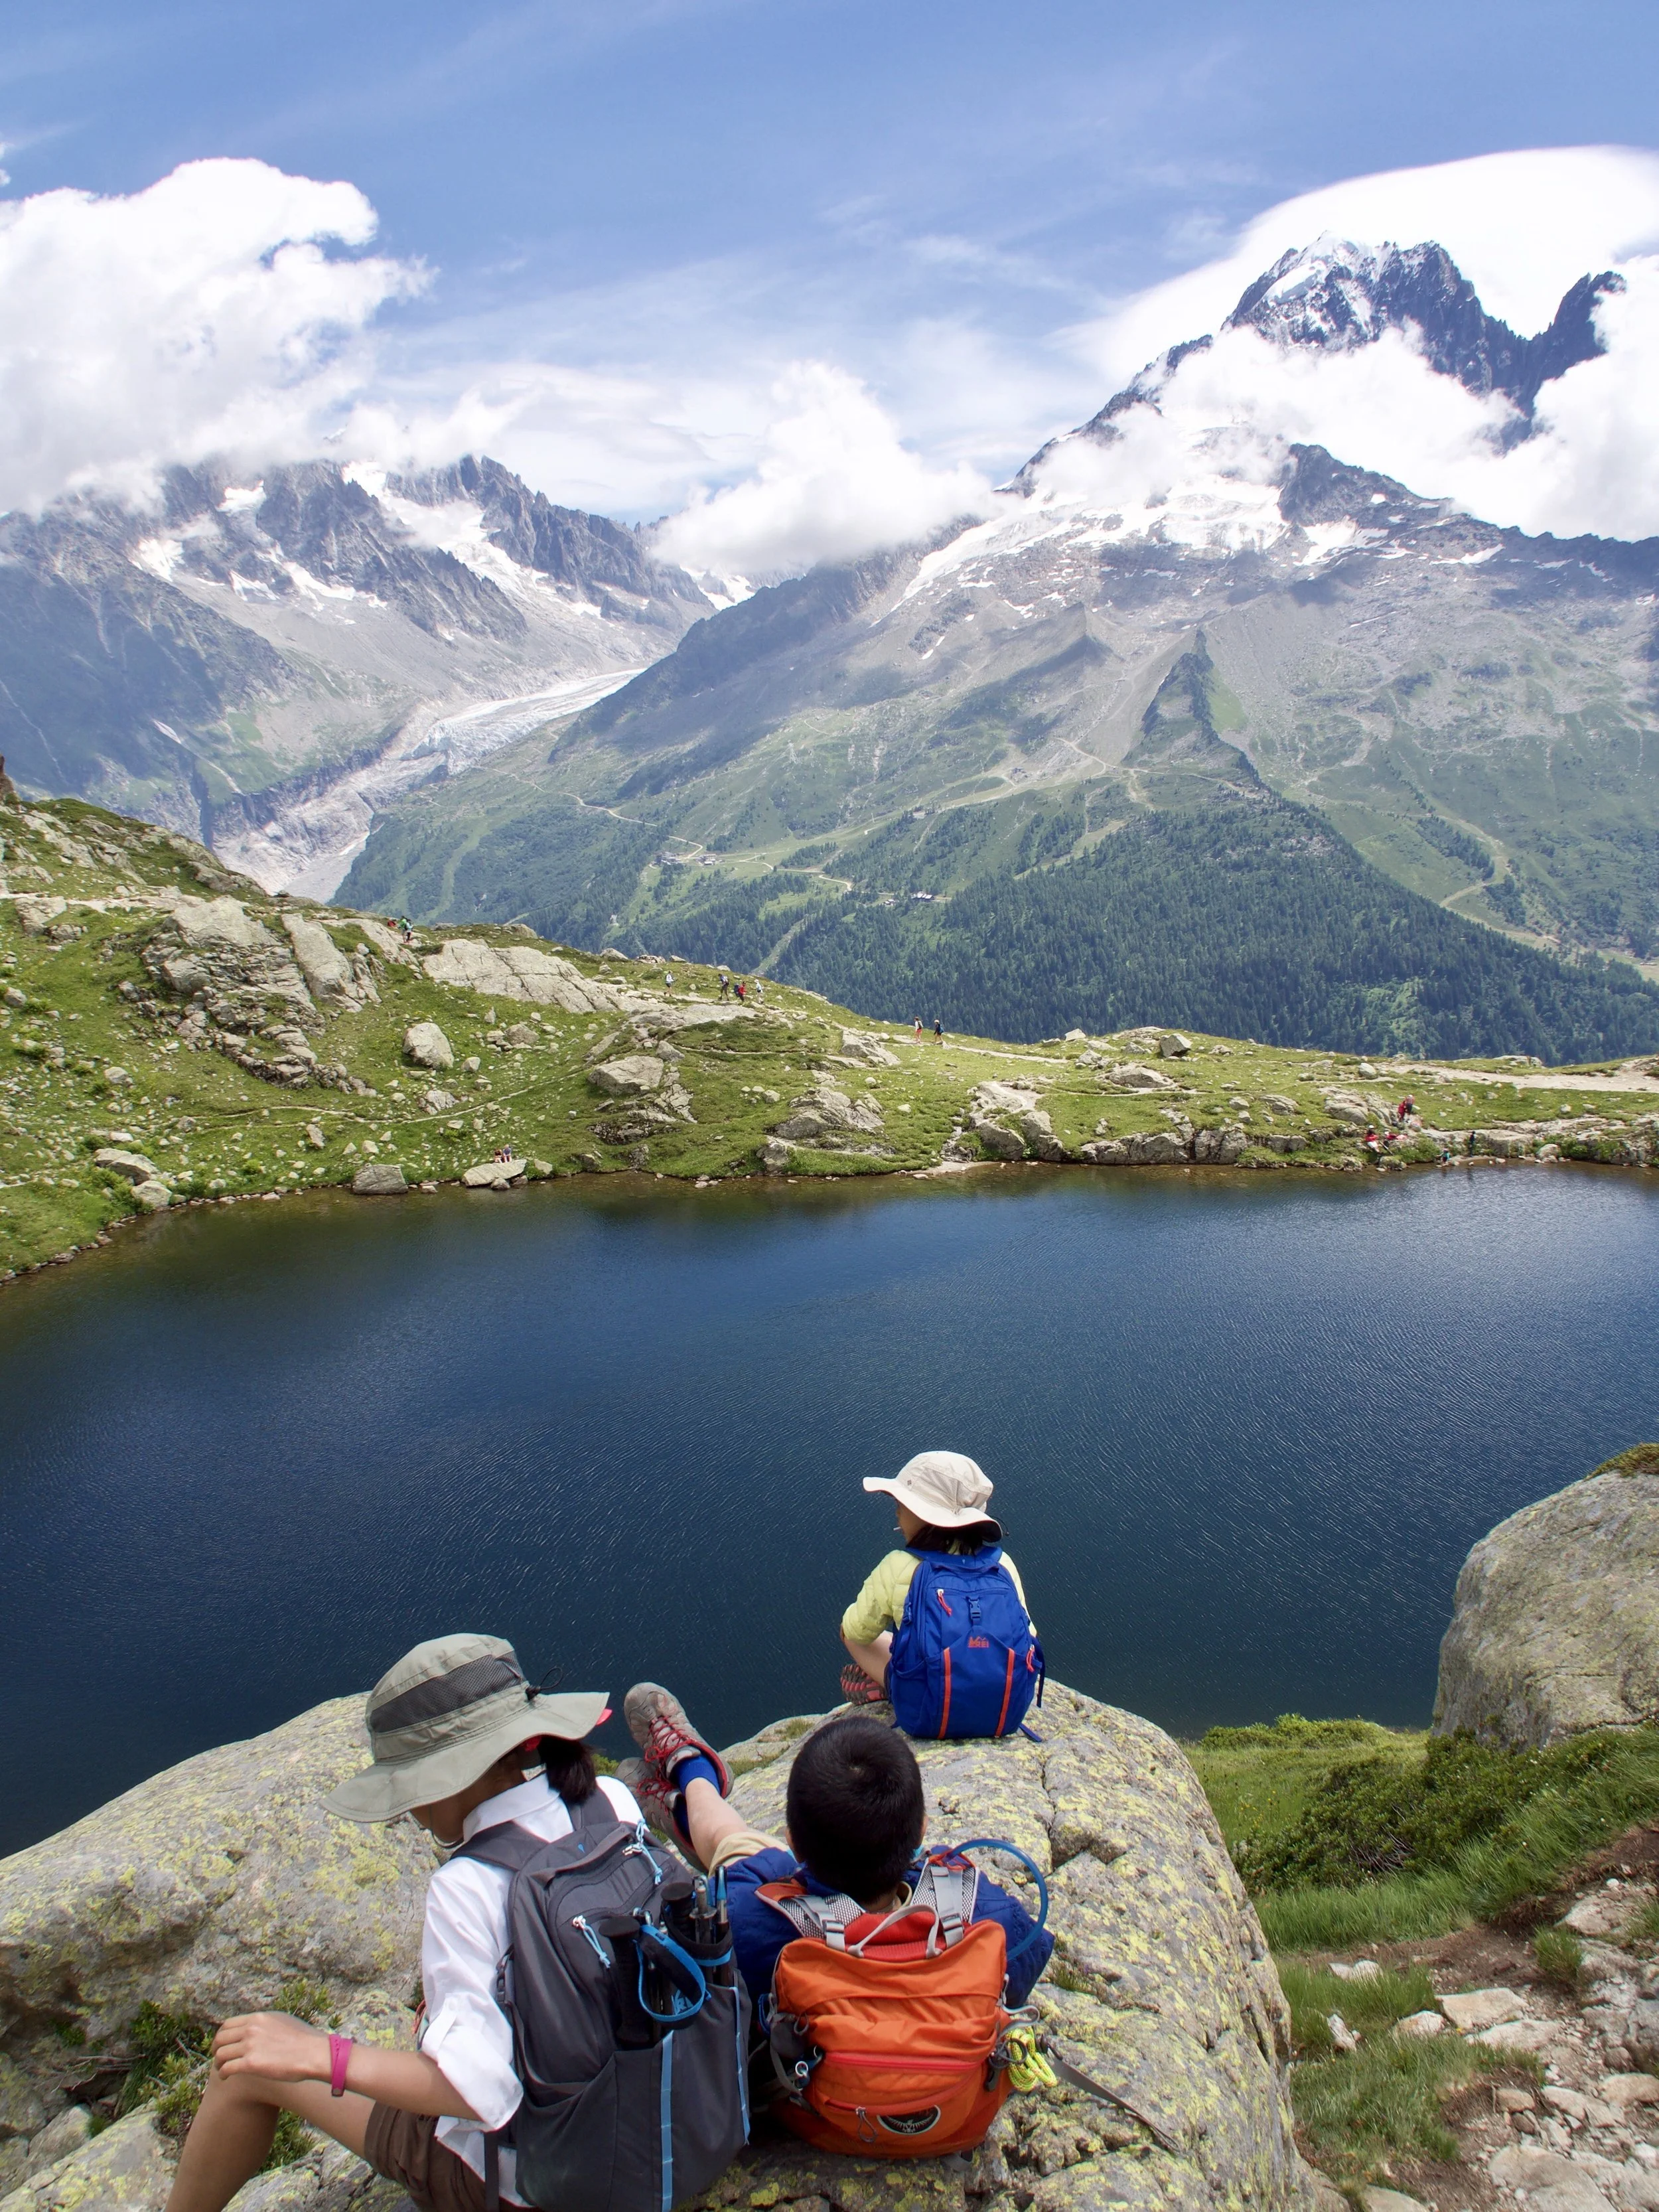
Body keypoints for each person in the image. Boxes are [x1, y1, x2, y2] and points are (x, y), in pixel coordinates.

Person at [162, 1637, 634, 2212]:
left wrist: (321, 2055)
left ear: (446, 1775)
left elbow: (479, 2091)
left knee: (247, 2063)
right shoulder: (611, 1801)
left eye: (407, 1786)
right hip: (647, 2133)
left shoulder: (467, 1885)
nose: (407, 1811)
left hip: (537, 2183)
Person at [615, 1687, 1052, 2014]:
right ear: (920, 1829)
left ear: (792, 1840)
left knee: (738, 1847)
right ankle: (687, 1786)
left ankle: (692, 1779)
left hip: (803, 2102)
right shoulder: (990, 1918)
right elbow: (1023, 1970)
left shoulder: (746, 1919)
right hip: (951, 2115)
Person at [838, 1451, 1035, 1708]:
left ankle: (889, 1681)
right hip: (1006, 1704)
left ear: (924, 1516)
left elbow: (856, 1630)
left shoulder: (898, 1566)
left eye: (901, 1505)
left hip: (930, 1707)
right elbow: (1029, 1635)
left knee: (850, 1633)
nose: (897, 1512)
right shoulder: (1002, 1565)